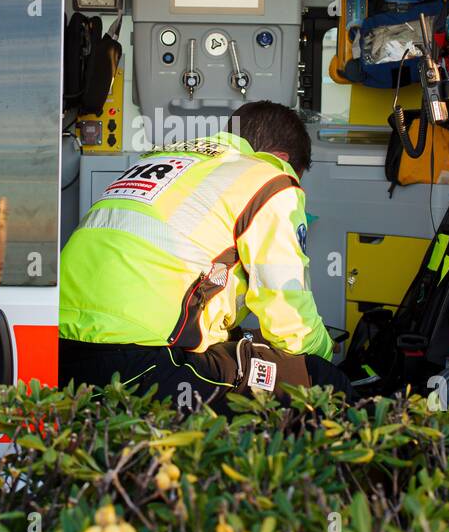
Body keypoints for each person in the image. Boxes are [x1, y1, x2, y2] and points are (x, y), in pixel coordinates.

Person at [59, 99, 352, 409]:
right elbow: (289, 317)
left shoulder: (165, 159)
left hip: (59, 354)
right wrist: (325, 354)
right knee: (318, 379)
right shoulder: (268, 178)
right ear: (279, 158)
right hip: (141, 358)